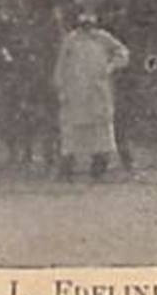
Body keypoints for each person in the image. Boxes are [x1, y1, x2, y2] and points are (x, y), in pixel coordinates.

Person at [52, 11, 129, 181]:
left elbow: (122, 53)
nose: (87, 29)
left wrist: (111, 67)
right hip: (75, 92)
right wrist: (61, 87)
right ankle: (66, 170)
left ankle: (98, 169)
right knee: (72, 132)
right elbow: (61, 65)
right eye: (84, 25)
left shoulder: (103, 38)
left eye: (90, 25)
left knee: (101, 132)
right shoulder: (71, 40)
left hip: (98, 92)